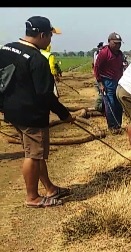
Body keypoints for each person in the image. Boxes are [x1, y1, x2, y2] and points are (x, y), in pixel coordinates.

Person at [0, 16, 74, 208]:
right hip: (31, 115)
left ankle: (50, 188)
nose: (51, 39)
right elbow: (45, 95)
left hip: (12, 110)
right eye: (50, 35)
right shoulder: (37, 60)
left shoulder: (6, 49)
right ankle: (32, 197)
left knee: (36, 153)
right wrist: (64, 114)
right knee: (33, 155)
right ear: (42, 35)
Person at [94, 32, 125, 133]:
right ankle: (112, 126)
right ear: (109, 42)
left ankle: (118, 124)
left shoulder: (120, 54)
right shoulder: (104, 53)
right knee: (110, 103)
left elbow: (121, 68)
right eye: (115, 43)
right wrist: (100, 83)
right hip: (106, 81)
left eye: (119, 43)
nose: (117, 45)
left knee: (118, 104)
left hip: (118, 81)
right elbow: (96, 68)